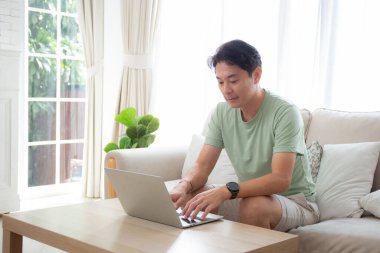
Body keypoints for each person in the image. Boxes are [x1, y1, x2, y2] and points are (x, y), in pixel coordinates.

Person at [170, 39, 319, 232]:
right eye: (220, 82)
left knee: (254, 205)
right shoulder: (221, 112)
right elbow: (201, 167)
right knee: (189, 198)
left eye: (233, 81)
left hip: (296, 202)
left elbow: (280, 179)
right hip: (249, 196)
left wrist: (226, 190)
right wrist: (183, 185)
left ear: (256, 75)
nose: (226, 90)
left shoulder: (285, 112)